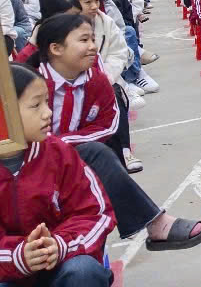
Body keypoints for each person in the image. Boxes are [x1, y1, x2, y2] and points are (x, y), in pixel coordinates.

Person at [25, 14, 201, 252]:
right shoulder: (29, 83)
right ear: (56, 48)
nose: (93, 46)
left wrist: (60, 145)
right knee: (95, 154)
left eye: (93, 39)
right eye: (84, 40)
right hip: (28, 163)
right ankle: (154, 223)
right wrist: (51, 147)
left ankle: (140, 228)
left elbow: (109, 124)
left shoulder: (96, 80)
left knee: (97, 154)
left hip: (67, 162)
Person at [2, 62, 116, 286]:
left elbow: (95, 213)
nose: (48, 113)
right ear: (3, 113)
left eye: (46, 101)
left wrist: (59, 244)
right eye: (36, 105)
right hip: (7, 271)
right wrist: (18, 256)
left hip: (61, 261)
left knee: (83, 271)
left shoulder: (58, 153)